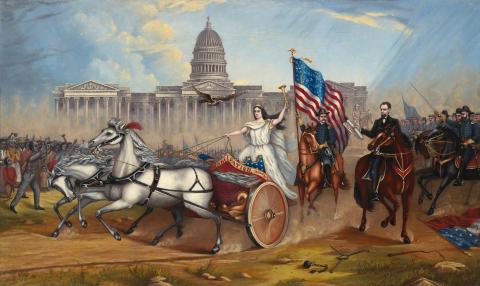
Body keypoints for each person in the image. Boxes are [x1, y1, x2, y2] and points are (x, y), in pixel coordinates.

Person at [225, 103, 297, 200]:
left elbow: (279, 119)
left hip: (265, 151)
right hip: (252, 150)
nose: (256, 113)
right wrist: (229, 134)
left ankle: (278, 192)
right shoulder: (250, 125)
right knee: (244, 167)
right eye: (255, 111)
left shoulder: (268, 123)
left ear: (262, 112)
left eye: (258, 111)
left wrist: (284, 108)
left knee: (272, 172)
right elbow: (240, 131)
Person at [360, 101, 408, 201]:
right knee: (374, 170)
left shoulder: (394, 122)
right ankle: (374, 193)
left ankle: (402, 187)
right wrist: (363, 131)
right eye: (381, 109)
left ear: (389, 110)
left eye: (385, 109)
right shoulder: (377, 121)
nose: (383, 111)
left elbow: (399, 134)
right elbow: (373, 134)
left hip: (391, 151)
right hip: (379, 151)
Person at [10, 141, 47, 214]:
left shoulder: (36, 154)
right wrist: (42, 150)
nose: (37, 147)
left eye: (37, 146)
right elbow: (32, 158)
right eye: (35, 146)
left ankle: (36, 205)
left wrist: (43, 150)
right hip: (28, 175)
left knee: (37, 190)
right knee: (20, 191)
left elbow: (42, 156)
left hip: (32, 176)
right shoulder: (31, 155)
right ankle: (12, 205)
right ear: (31, 147)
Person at [300, 108, 336, 182]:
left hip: (325, 150)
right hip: (315, 150)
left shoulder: (329, 127)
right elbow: (307, 133)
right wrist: (300, 123)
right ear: (318, 117)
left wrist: (324, 144)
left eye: (324, 116)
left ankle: (328, 180)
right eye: (322, 116)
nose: (323, 118)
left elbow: (332, 140)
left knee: (326, 162)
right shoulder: (315, 128)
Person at [453, 106, 479, 186]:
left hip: (471, 146)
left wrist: (467, 142)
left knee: (464, 161)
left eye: (463, 113)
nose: (462, 115)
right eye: (461, 114)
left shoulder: (473, 123)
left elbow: (477, 136)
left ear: (467, 114)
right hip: (462, 145)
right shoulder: (462, 123)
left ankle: (459, 179)